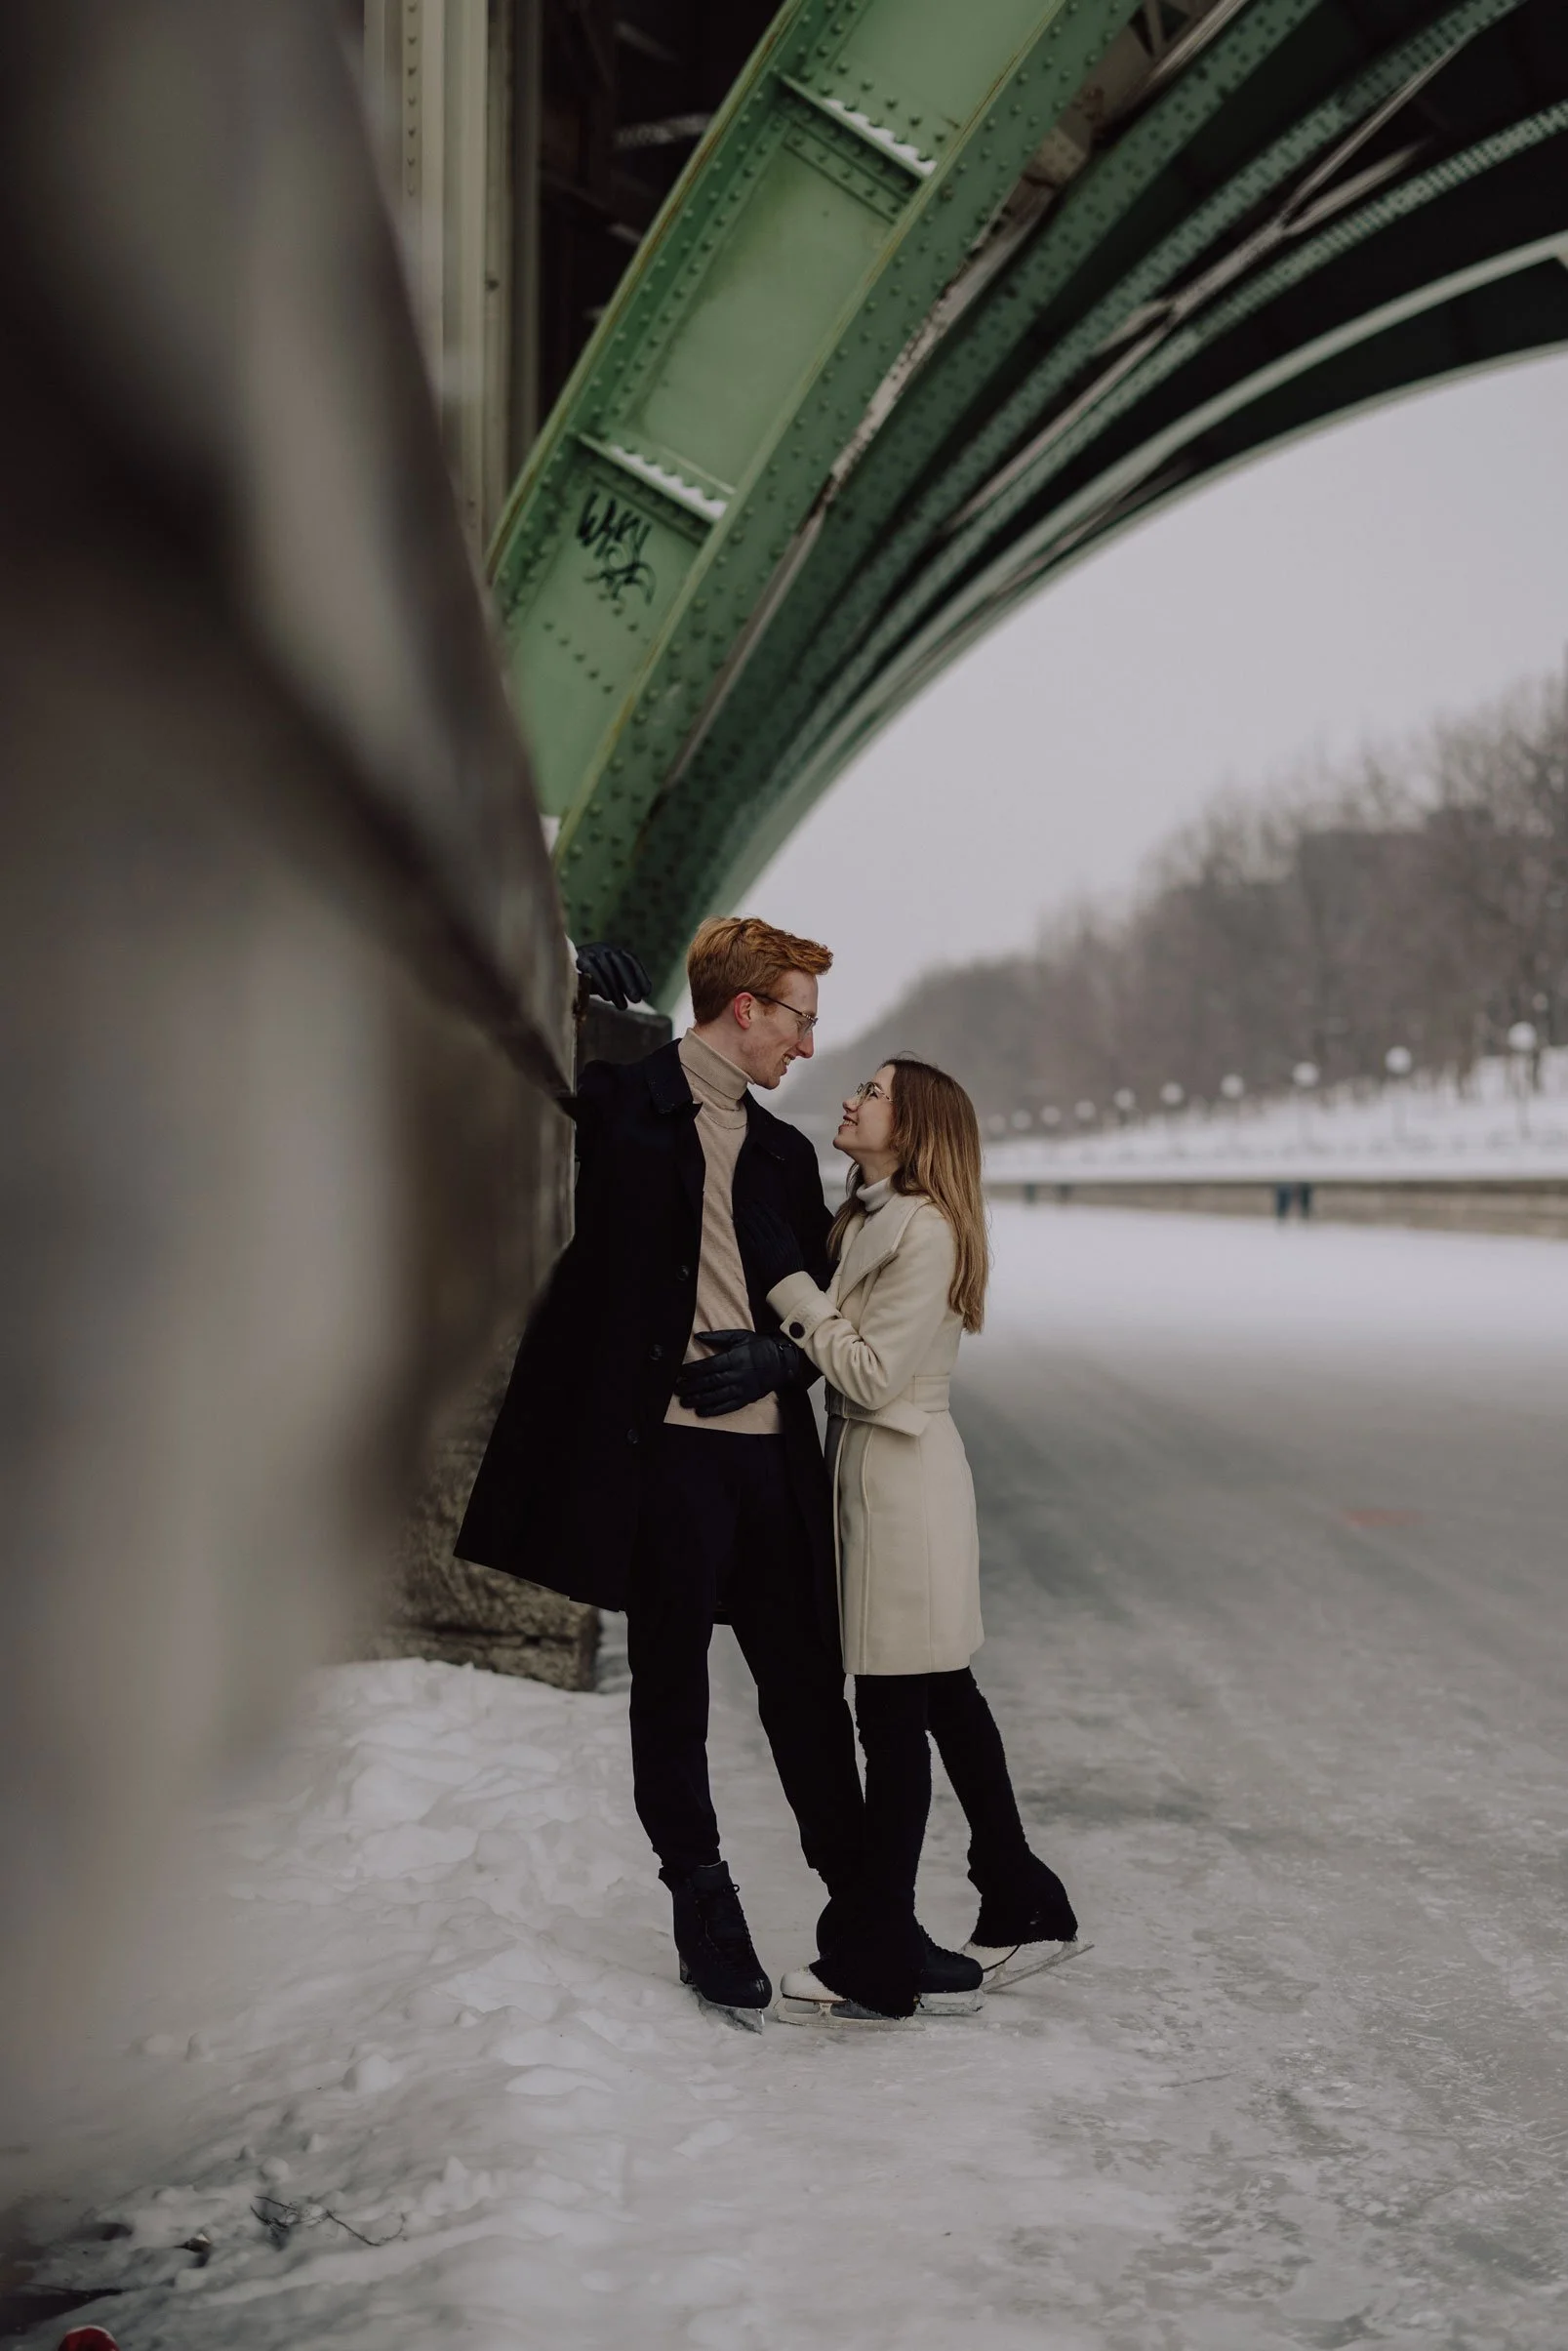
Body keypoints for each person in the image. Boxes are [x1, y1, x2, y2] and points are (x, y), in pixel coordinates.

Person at [457, 918, 956, 2026]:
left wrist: (782, 1355)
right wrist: (579, 989)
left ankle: (863, 1916)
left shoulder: (782, 1154)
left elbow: (839, 1312)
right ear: (745, 1011)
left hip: (767, 1463)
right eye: (797, 1018)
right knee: (671, 1689)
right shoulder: (620, 1107)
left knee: (807, 1700)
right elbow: (501, 1058)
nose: (804, 1043)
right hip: (662, 1462)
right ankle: (701, 1898)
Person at [737, 1057, 1085, 2020]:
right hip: (880, 1482)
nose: (848, 1100)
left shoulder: (922, 1230)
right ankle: (1014, 1892)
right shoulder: (870, 1214)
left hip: (901, 1489)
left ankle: (879, 1951)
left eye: (872, 1093)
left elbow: (872, 1377)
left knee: (894, 1719)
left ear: (915, 1125)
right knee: (937, 1697)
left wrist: (789, 1292)